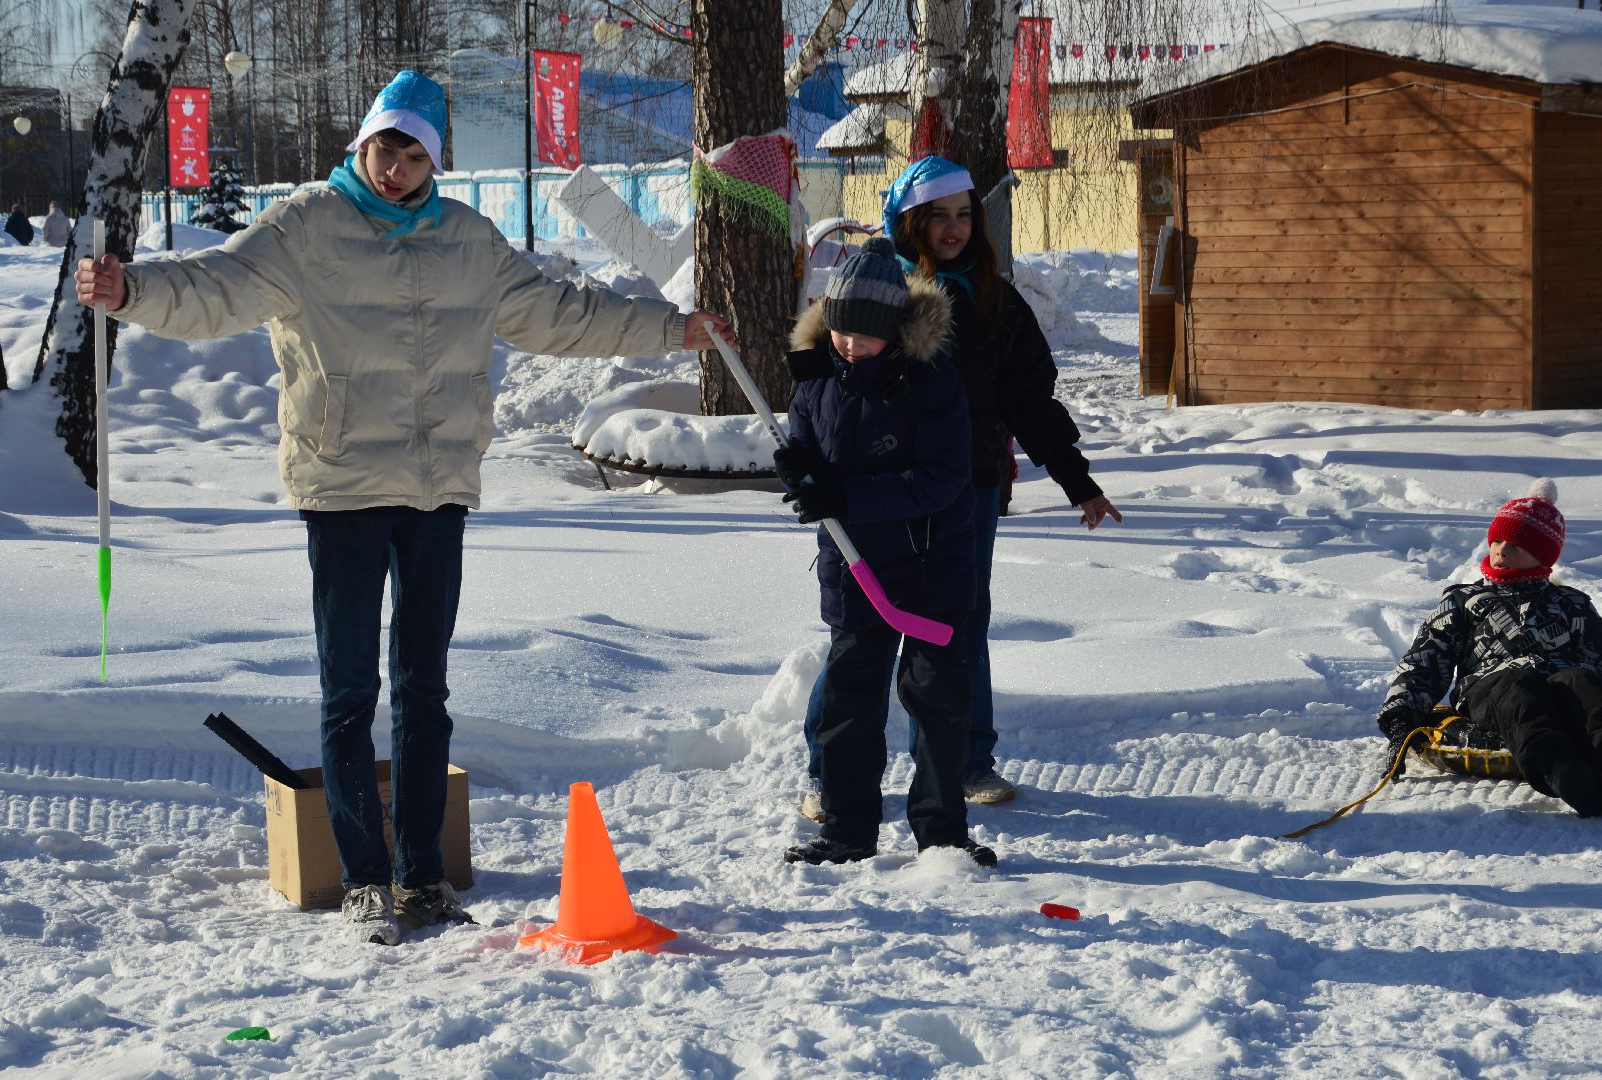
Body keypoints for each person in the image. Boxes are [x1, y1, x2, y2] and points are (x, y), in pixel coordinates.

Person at [75, 70, 734, 946]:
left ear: (436, 158)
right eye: (387, 147)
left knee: (424, 689)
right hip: (342, 483)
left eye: (415, 152)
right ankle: (362, 877)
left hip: (437, 490)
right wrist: (134, 292)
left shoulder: (470, 239)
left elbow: (561, 314)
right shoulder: (306, 227)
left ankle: (421, 876)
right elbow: (217, 287)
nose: (396, 167)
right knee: (350, 689)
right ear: (363, 142)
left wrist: (665, 328)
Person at [797, 156, 1120, 822]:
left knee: (957, 627)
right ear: (910, 220)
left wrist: (1077, 481)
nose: (953, 230)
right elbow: (814, 376)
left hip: (965, 488)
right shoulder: (876, 285)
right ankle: (827, 770)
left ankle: (966, 760)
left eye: (964, 216)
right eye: (938, 216)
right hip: (872, 490)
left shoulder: (993, 297)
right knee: (861, 628)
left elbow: (1031, 400)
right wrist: (814, 469)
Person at [776, 235, 995, 869]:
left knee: (937, 704)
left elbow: (941, 478)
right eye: (840, 333)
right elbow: (806, 453)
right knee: (848, 704)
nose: (848, 346)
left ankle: (942, 836)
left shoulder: (931, 382)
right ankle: (847, 830)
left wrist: (841, 494)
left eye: (863, 337)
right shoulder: (818, 377)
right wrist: (801, 473)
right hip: (855, 568)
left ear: (894, 331)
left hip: (930, 567)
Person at [1377, 480, 1602, 817]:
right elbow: (1425, 660)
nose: (1500, 551)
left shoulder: (1571, 603)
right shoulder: (1465, 601)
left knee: (1581, 682)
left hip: (1559, 685)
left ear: (1542, 555)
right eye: (1496, 540)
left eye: (1515, 546)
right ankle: (1560, 770)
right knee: (1518, 690)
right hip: (1491, 689)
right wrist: (1400, 719)